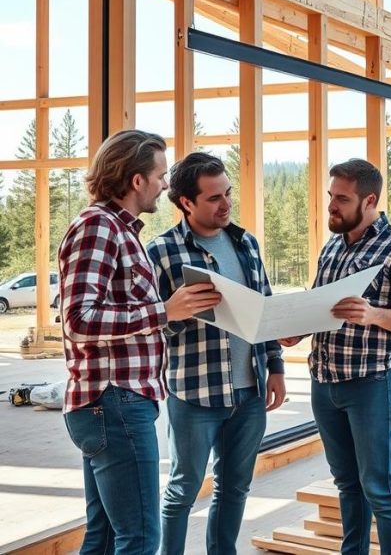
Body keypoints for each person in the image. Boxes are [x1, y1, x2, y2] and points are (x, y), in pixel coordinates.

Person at [59, 130, 221, 555]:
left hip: (113, 403)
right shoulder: (99, 227)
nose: (165, 184)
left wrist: (171, 314)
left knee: (106, 537)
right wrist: (165, 311)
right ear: (136, 180)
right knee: (142, 538)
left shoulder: (118, 230)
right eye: (160, 175)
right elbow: (78, 320)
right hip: (114, 401)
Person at [279, 159, 391, 555]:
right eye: (331, 196)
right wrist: (294, 329)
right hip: (325, 383)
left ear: (369, 200)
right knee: (347, 485)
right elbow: (320, 305)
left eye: (341, 199)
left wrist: (374, 314)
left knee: (378, 487)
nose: (332, 206)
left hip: (374, 384)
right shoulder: (332, 247)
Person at [146, 152, 286, 555]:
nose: (226, 204)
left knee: (235, 487)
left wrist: (275, 366)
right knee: (183, 489)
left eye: (227, 193)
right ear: (185, 202)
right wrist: (178, 311)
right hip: (194, 395)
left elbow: (265, 306)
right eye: (213, 198)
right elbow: (151, 326)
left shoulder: (246, 243)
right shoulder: (160, 253)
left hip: (250, 392)